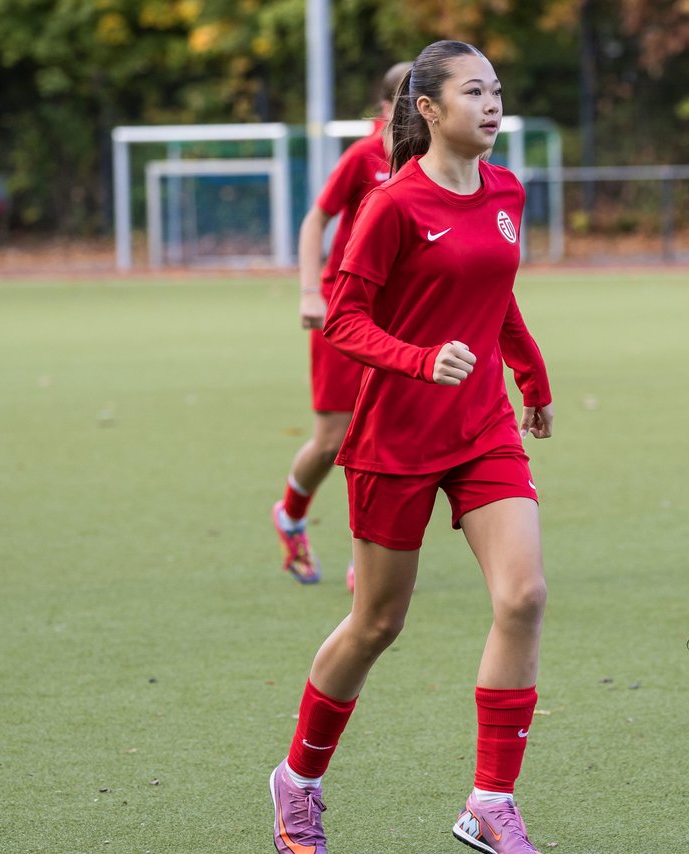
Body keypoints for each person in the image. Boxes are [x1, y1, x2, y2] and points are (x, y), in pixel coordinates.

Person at [269, 40, 554, 854]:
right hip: (395, 436)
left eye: (498, 90)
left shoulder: (507, 190)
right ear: (428, 109)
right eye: (475, 92)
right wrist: (421, 360)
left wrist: (530, 377)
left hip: (482, 429)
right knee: (377, 622)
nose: (493, 105)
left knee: (524, 596)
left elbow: (495, 297)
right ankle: (299, 781)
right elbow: (346, 318)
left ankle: (491, 802)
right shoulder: (391, 204)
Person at [272, 61, 412, 588]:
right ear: (384, 108)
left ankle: (370, 553)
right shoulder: (365, 155)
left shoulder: (435, 161)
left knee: (392, 432)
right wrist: (311, 291)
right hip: (345, 309)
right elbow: (316, 219)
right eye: (405, 99)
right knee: (334, 440)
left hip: (398, 318)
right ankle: (290, 514)